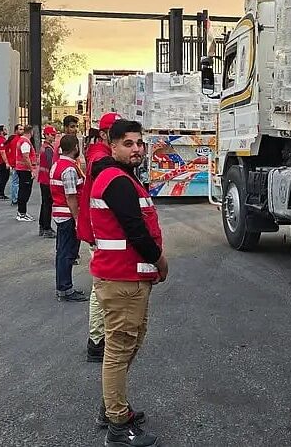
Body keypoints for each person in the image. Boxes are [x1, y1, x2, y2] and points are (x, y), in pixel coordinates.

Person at [90, 119, 165, 445]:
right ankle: (118, 424)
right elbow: (136, 231)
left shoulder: (117, 177)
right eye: (128, 144)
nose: (136, 149)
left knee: (127, 344)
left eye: (139, 143)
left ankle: (112, 406)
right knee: (120, 349)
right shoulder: (117, 181)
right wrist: (160, 261)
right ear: (113, 145)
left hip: (126, 276)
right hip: (123, 278)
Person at [78, 112, 121, 363]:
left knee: (104, 284)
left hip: (99, 229)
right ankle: (96, 340)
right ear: (104, 134)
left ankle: (101, 336)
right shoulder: (99, 153)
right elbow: (98, 165)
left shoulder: (103, 151)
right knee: (101, 287)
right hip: (97, 231)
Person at [51, 134, 87, 302]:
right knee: (67, 253)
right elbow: (71, 196)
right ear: (75, 148)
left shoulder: (58, 164)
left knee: (62, 252)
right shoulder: (70, 169)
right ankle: (65, 289)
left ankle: (63, 286)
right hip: (67, 215)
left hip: (60, 214)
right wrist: (78, 218)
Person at [37, 126, 59, 238]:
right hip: (47, 180)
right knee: (48, 205)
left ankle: (42, 226)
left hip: (43, 179)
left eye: (54, 134)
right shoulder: (49, 149)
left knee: (44, 204)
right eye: (51, 134)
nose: (53, 136)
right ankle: (46, 228)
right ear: (46, 135)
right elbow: (52, 165)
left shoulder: (44, 147)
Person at [13, 124, 36, 222]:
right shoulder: (25, 142)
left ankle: (22, 212)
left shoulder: (21, 140)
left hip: (21, 169)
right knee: (25, 192)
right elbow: (26, 156)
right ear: (31, 132)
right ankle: (22, 213)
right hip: (24, 170)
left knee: (23, 190)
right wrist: (32, 169)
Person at [6, 123, 23, 204]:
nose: (22, 131)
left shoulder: (13, 139)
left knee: (15, 182)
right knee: (16, 182)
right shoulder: (18, 140)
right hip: (17, 164)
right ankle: (15, 198)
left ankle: (15, 198)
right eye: (20, 129)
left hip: (14, 163)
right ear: (16, 130)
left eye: (22, 129)